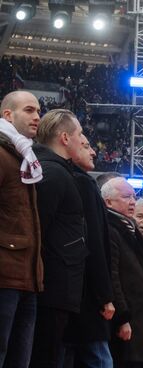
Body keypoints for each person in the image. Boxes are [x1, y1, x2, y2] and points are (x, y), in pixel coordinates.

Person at [32, 109, 88, 368]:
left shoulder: (56, 171)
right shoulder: (53, 173)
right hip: (53, 285)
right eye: (79, 134)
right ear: (65, 138)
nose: (82, 139)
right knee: (45, 356)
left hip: (58, 284)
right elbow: (38, 229)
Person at [0, 91, 43, 368]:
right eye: (29, 110)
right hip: (4, 276)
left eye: (38, 111)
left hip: (26, 277)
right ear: (8, 115)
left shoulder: (24, 157)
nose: (37, 117)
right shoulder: (3, 156)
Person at [64, 134, 115, 367]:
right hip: (87, 299)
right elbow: (95, 244)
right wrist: (105, 296)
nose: (93, 152)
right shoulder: (83, 183)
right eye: (86, 146)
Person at [102, 177, 143, 367]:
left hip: (139, 321)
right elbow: (113, 276)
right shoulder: (109, 228)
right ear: (108, 202)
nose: (133, 201)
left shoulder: (130, 228)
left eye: (133, 196)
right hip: (124, 322)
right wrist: (122, 318)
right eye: (126, 197)